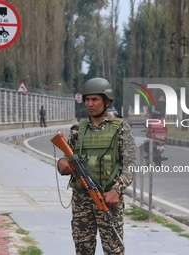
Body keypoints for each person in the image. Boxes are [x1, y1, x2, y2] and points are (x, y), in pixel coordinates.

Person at [57, 77, 136, 255]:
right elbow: (66, 159)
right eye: (87, 99)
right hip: (82, 200)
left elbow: (130, 166)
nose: (90, 104)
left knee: (113, 250)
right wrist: (61, 164)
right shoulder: (78, 129)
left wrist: (117, 189)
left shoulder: (121, 128)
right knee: (83, 249)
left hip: (108, 199)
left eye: (95, 99)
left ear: (106, 101)